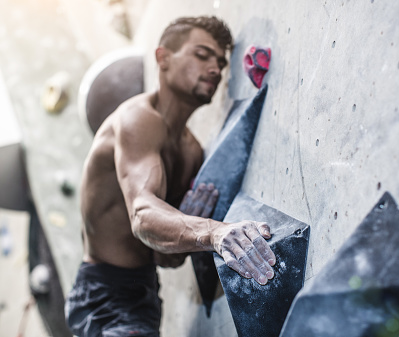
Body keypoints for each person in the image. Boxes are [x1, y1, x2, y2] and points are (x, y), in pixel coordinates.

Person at [65, 16, 276, 337]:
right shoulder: (137, 119)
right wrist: (214, 233)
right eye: (202, 55)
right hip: (103, 294)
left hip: (145, 296)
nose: (215, 69)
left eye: (220, 62)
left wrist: (189, 222)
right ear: (163, 58)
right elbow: (142, 215)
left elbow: (164, 257)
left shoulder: (191, 152)